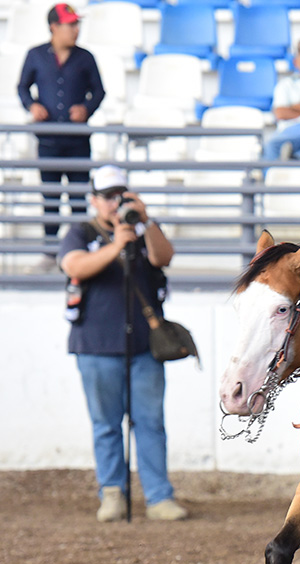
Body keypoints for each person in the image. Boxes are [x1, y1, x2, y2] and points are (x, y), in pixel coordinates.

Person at [58, 165, 188, 522]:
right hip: (96, 345)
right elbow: (74, 266)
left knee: (150, 422)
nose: (115, 203)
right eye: (107, 196)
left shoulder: (143, 231)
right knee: (106, 424)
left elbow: (164, 257)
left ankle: (158, 496)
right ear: (94, 200)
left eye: (121, 195)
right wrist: (116, 244)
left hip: (145, 346)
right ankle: (112, 494)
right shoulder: (81, 232)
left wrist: (146, 221)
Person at [17, 4, 104, 263]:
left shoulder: (85, 57)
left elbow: (99, 91)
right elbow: (22, 87)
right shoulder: (35, 55)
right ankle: (50, 252)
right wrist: (32, 105)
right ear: (54, 27)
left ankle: (80, 252)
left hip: (77, 141)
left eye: (77, 24)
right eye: (70, 24)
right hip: (48, 140)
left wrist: (86, 108)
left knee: (78, 198)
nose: (76, 29)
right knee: (50, 197)